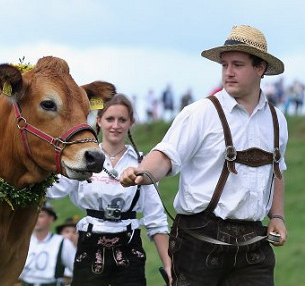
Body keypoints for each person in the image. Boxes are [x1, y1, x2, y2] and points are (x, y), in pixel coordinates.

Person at [121, 25, 288, 286]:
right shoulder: (199, 112)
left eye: (238, 64)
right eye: (224, 65)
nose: (228, 72)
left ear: (260, 68)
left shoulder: (277, 120)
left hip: (253, 246)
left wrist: (277, 217)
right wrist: (142, 172)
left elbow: (276, 172)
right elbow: (166, 155)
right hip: (199, 242)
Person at [47, 94, 171, 286]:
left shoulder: (142, 162)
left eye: (122, 120)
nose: (116, 125)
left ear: (131, 122)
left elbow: (155, 218)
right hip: (90, 244)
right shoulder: (86, 158)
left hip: (129, 246)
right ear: (98, 121)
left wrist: (169, 266)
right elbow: (54, 189)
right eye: (110, 119)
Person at [19, 201, 76, 286]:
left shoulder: (62, 243)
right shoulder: (24, 241)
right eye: (34, 215)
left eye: (41, 216)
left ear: (51, 219)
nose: (36, 219)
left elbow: (76, 269)